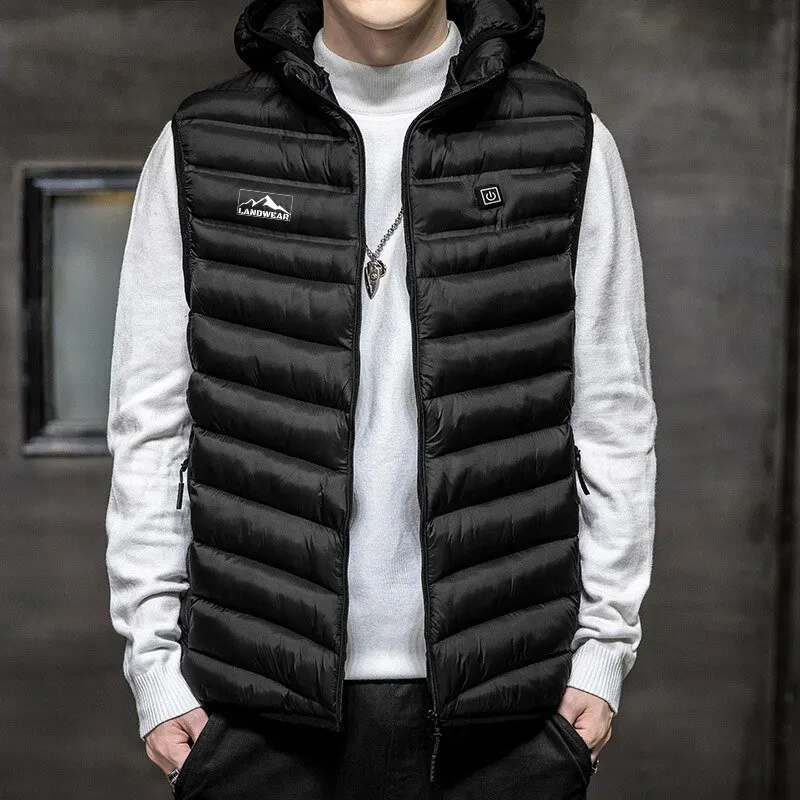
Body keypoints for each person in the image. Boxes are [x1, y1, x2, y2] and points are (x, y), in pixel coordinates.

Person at [104, 0, 658, 798]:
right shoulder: (203, 145)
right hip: (254, 715)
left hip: (509, 716)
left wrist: (602, 656)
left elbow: (613, 416)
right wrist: (155, 669)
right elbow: (151, 425)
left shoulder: (565, 141)